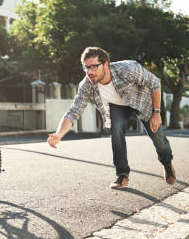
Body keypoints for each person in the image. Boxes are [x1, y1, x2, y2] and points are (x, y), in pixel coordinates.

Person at [47, 47, 176, 189]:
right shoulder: (87, 85)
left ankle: (167, 163)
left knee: (159, 140)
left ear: (106, 64)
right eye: (86, 67)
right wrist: (59, 134)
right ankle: (122, 174)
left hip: (142, 101)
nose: (89, 72)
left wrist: (156, 112)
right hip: (118, 106)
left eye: (94, 66)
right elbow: (73, 111)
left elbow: (155, 83)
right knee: (116, 128)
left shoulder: (128, 69)